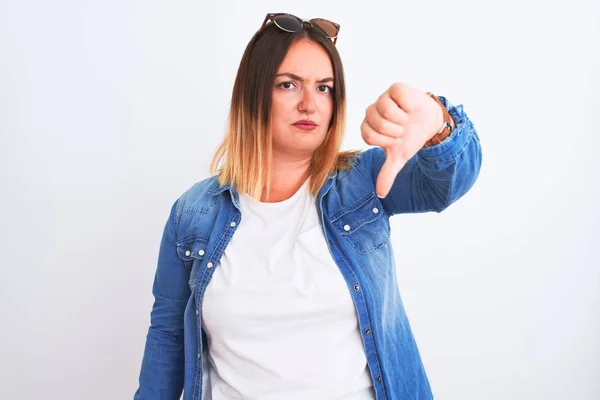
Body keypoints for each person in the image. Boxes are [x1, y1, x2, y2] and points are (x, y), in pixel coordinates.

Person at [134, 13, 482, 400]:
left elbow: (446, 184)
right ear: (253, 94)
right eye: (288, 85)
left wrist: (438, 123)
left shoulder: (363, 183)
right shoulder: (194, 213)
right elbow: (168, 335)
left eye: (324, 88)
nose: (309, 104)